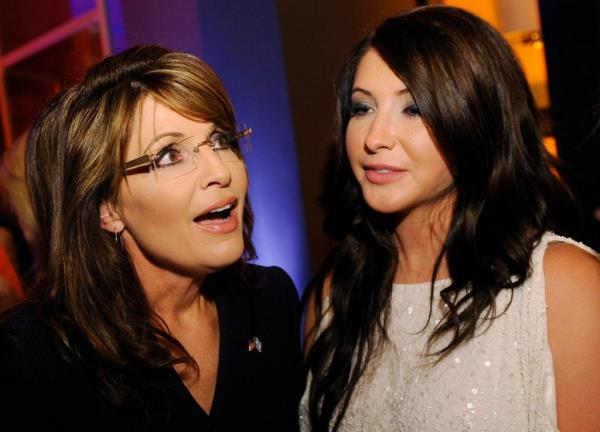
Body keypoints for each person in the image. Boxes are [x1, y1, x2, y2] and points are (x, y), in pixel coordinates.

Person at [300, 6, 600, 432]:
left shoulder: (562, 286)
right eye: (362, 108)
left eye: (414, 109)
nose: (374, 138)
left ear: (477, 120)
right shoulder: (337, 294)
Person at [0, 45, 302, 430]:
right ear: (106, 208)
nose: (219, 171)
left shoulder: (270, 301)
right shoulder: (33, 357)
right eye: (169, 155)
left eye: (221, 141)